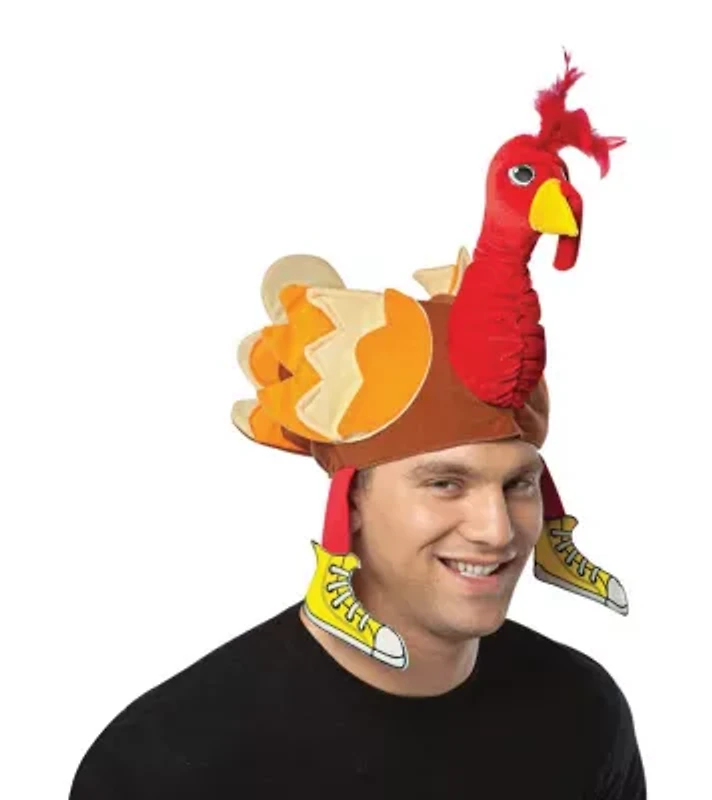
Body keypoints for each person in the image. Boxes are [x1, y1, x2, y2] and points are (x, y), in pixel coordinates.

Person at [69, 53, 646, 798]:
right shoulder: (170, 764)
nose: (497, 529)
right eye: (445, 483)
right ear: (353, 501)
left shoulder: (582, 714)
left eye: (518, 484)